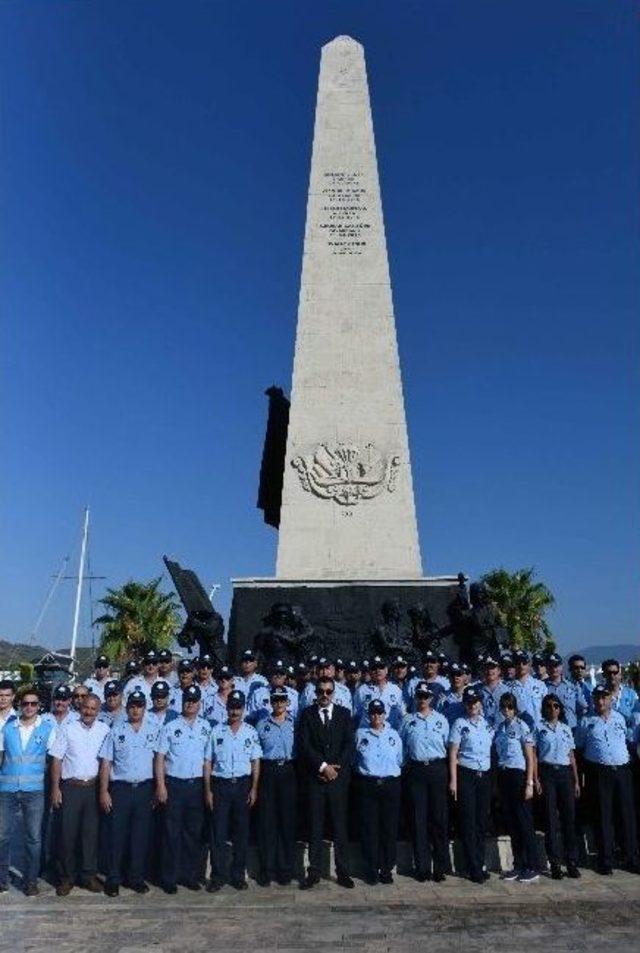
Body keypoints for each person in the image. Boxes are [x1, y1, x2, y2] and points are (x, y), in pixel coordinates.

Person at [297, 675, 355, 889]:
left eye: (328, 691)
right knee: (315, 825)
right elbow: (304, 745)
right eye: (321, 691)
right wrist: (323, 766)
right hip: (316, 778)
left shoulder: (344, 714)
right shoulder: (307, 715)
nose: (324, 695)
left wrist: (335, 768)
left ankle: (343, 872)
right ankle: (314, 872)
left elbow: (349, 744)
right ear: (315, 693)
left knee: (340, 826)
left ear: (333, 693)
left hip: (338, 779)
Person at [49, 692, 110, 895]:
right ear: (80, 707)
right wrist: (56, 788)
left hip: (93, 788)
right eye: (86, 707)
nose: (89, 712)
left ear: (98, 711)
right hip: (71, 787)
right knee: (67, 834)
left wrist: (104, 790)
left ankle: (88, 876)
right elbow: (57, 759)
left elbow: (106, 762)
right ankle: (67, 877)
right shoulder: (68, 729)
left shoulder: (104, 729)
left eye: (93, 709)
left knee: (90, 834)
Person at [575, 684, 639, 875]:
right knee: (603, 816)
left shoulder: (620, 718)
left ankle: (631, 858)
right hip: (599, 773)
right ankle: (605, 859)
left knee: (627, 816)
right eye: (598, 698)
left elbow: (628, 741)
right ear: (593, 700)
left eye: (604, 697)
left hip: (622, 771)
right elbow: (579, 747)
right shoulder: (586, 721)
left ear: (610, 698)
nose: (601, 701)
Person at [154, 683, 211, 893]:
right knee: (171, 833)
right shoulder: (170, 727)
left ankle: (189, 876)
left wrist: (207, 789)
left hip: (195, 786)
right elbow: (160, 758)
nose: (190, 703)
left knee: (192, 834)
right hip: (174, 785)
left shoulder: (206, 728)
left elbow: (207, 760)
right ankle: (169, 878)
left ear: (200, 704)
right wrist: (161, 785)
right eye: (187, 699)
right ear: (182, 700)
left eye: (194, 701)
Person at [98, 689, 157, 896]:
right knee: (117, 836)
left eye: (139, 705)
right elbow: (106, 762)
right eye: (132, 705)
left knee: (140, 836)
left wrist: (159, 787)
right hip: (121, 789)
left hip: (144, 788)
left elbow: (159, 761)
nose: (135, 709)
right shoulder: (116, 730)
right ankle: (113, 879)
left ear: (144, 707)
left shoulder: (153, 730)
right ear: (127, 707)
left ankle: (136, 878)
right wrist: (104, 791)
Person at [0, 688, 56, 895]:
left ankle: (30, 881)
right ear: (19, 705)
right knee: (2, 836)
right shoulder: (8, 728)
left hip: (34, 791)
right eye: (26, 703)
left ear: (39, 705)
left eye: (33, 703)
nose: (30, 707)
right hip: (6, 789)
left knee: (33, 838)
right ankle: (1, 879)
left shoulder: (48, 729)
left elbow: (53, 761)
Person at [204, 689, 261, 891]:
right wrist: (208, 790)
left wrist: (254, 789)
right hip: (220, 785)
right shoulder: (216, 731)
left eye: (238, 708)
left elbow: (255, 762)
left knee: (241, 833)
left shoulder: (251, 732)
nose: (234, 711)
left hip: (242, 785)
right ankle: (218, 876)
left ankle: (238, 875)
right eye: (231, 707)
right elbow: (208, 762)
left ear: (244, 709)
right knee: (218, 834)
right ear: (226, 708)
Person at [400, 681, 449, 882]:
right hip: (416, 770)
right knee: (418, 820)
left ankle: (440, 867)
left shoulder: (442, 720)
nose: (422, 700)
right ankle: (422, 867)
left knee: (438, 818)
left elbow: (449, 745)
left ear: (431, 698)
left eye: (425, 696)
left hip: (437, 769)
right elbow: (402, 749)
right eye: (419, 696)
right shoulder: (407, 720)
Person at [448, 685, 494, 883]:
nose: (472, 705)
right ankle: (472, 866)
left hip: (484, 775)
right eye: (469, 702)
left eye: (475, 702)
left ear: (480, 703)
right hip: (466, 774)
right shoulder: (459, 723)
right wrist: (453, 780)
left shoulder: (487, 724)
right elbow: (453, 752)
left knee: (481, 821)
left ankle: (480, 862)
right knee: (468, 821)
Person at [354, 699, 403, 885]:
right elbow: (354, 760)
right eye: (373, 713)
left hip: (390, 784)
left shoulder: (394, 735)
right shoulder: (360, 734)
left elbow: (400, 759)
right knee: (369, 828)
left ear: (385, 715)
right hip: (368, 784)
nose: (376, 716)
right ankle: (371, 868)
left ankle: (387, 868)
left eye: (379, 713)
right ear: (369, 715)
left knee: (388, 828)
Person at [493, 691, 538, 883]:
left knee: (525, 822)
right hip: (505, 775)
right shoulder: (501, 728)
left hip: (519, 775)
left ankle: (532, 865)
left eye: (509, 707)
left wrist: (530, 783)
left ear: (515, 707)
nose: (506, 710)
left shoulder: (522, 726)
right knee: (512, 823)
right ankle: (518, 863)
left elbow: (530, 757)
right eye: (503, 707)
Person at [534, 693, 581, 880]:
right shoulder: (538, 727)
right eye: (548, 706)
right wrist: (536, 778)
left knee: (569, 818)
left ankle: (571, 861)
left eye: (555, 706)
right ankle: (554, 863)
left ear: (560, 709)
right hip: (547, 773)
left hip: (565, 773)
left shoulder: (565, 729)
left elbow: (571, 756)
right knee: (550, 819)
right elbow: (534, 754)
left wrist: (576, 780)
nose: (552, 709)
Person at [255, 686, 296, 886]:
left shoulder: (294, 724)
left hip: (289, 772)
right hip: (269, 772)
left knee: (287, 823)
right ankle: (266, 869)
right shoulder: (262, 725)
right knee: (267, 823)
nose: (278, 704)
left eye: (282, 700)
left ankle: (285, 869)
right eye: (275, 700)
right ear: (270, 702)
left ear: (288, 702)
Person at [354, 657, 405, 729]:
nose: (377, 670)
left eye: (381, 667)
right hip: (368, 735)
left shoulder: (396, 690)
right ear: (370, 671)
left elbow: (402, 715)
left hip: (389, 735)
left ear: (386, 670)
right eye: (374, 668)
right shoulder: (362, 690)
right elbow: (356, 716)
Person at [247, 659, 299, 724]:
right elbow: (251, 718)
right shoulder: (258, 694)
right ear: (270, 673)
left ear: (285, 675)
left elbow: (297, 719)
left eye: (281, 673)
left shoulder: (293, 695)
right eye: (275, 673)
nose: (278, 676)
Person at [544, 654, 587, 731]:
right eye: (550, 666)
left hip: (572, 729)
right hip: (550, 730)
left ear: (562, 666)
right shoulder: (541, 687)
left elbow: (583, 708)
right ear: (546, 668)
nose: (554, 669)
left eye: (556, 665)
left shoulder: (572, 686)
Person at [507, 650, 547, 728]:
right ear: (514, 665)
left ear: (529, 664)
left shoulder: (540, 685)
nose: (521, 666)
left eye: (524, 663)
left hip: (539, 730)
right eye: (518, 663)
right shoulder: (508, 688)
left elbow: (547, 709)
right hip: (518, 731)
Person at [601, 658, 638, 737]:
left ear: (620, 674)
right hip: (608, 736)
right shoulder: (599, 696)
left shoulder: (631, 694)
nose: (612, 675)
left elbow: (636, 718)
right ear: (603, 675)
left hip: (629, 738)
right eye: (609, 673)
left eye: (615, 672)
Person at [477, 656, 510, 728]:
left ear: (499, 671)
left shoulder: (508, 690)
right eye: (487, 668)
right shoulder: (477, 690)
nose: (490, 671)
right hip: (483, 730)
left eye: (492, 668)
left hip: (503, 730)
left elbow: (518, 711)